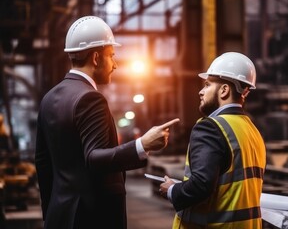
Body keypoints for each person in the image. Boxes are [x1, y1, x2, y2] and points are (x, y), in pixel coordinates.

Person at [35, 16, 179, 229]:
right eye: (111, 56)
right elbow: (95, 159)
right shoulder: (90, 98)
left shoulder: (49, 98)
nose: (115, 64)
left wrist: (51, 212)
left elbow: (42, 162)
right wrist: (143, 145)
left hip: (60, 216)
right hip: (92, 218)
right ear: (95, 58)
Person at [160, 52, 266, 228]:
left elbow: (201, 185)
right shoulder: (251, 130)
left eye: (207, 85)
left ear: (224, 90)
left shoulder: (210, 127)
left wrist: (171, 189)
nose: (201, 91)